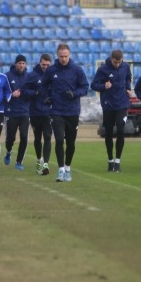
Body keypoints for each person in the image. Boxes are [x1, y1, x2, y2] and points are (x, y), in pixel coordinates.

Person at [40, 43, 89, 182]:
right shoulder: (51, 70)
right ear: (57, 55)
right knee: (59, 139)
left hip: (72, 111)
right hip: (56, 110)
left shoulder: (77, 70)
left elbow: (85, 87)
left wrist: (74, 94)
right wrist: (46, 97)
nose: (63, 59)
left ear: (69, 55)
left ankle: (68, 168)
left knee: (71, 142)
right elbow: (43, 85)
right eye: (61, 56)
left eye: (66, 56)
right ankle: (61, 170)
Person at [91, 49, 133, 172]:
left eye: (119, 62)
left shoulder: (125, 66)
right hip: (108, 105)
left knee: (121, 129)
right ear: (111, 59)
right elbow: (93, 85)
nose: (117, 64)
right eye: (115, 62)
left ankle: (118, 161)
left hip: (122, 104)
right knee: (108, 133)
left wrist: (128, 88)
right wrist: (104, 86)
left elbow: (128, 77)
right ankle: (110, 160)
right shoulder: (103, 69)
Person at [23, 53, 53, 175]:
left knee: (47, 136)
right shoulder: (32, 76)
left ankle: (45, 163)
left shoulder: (54, 75)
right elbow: (24, 90)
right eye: (43, 64)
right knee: (37, 137)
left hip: (49, 112)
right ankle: (39, 158)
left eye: (47, 65)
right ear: (39, 63)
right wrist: (34, 93)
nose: (45, 67)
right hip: (35, 112)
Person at [3, 54, 30, 170]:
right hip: (11, 112)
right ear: (16, 64)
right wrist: (11, 95)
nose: (21, 65)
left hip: (24, 112)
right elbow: (2, 92)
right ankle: (8, 151)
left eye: (23, 63)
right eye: (19, 63)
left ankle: (19, 161)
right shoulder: (7, 76)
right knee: (10, 138)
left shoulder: (29, 77)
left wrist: (27, 93)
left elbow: (32, 91)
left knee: (24, 137)